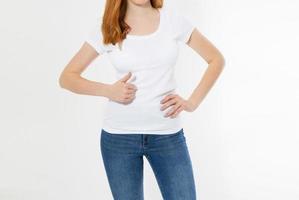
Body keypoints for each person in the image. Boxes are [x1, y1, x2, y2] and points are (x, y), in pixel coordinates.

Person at [59, 0, 225, 199]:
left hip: (167, 135)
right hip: (119, 138)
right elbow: (67, 77)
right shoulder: (108, 25)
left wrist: (192, 102)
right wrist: (108, 90)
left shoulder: (172, 20)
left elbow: (216, 59)